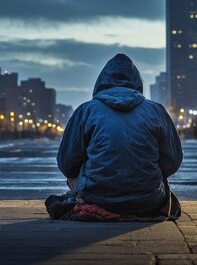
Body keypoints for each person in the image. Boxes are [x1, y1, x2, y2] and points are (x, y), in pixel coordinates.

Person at [57, 53, 183, 216]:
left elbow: (67, 163)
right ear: (137, 83)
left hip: (97, 195)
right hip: (148, 198)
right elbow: (173, 161)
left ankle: (91, 199)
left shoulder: (86, 111)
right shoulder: (156, 111)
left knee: (73, 176)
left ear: (101, 83)